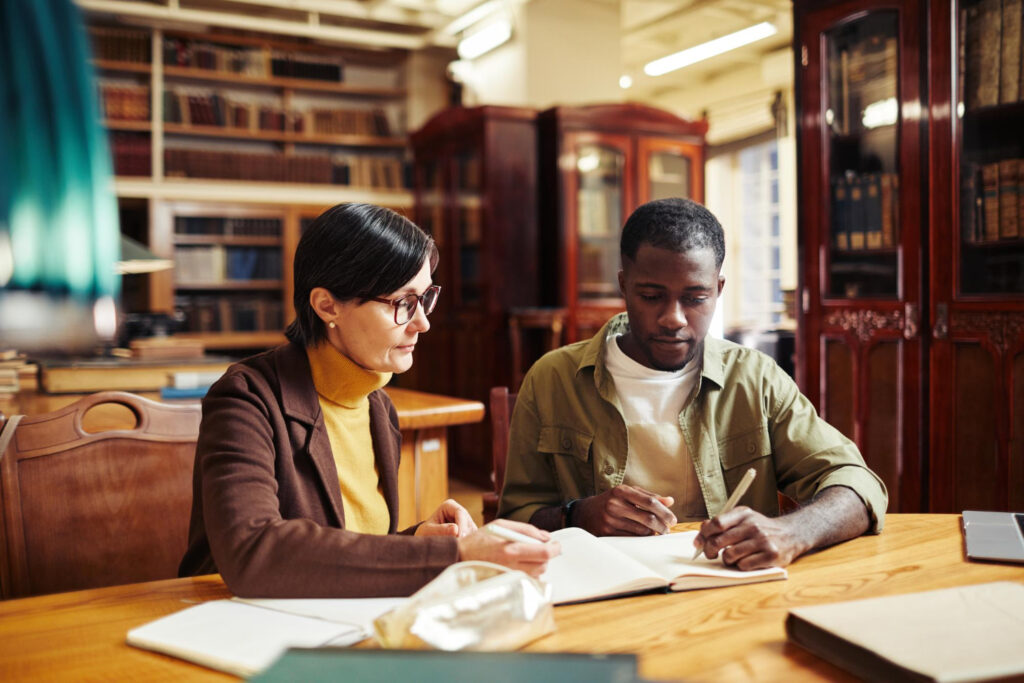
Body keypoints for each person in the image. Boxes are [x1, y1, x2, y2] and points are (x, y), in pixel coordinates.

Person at [179, 203, 559, 597]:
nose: (423, 322)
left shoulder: (378, 407)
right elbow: (252, 552)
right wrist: (452, 554)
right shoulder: (246, 398)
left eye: (424, 297)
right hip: (233, 628)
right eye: (402, 302)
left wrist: (419, 541)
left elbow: (343, 547)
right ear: (328, 305)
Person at [498, 198, 887, 570]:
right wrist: (577, 515)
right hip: (602, 594)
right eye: (651, 296)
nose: (673, 319)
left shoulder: (754, 378)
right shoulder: (552, 380)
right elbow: (511, 521)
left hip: (728, 593)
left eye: (695, 298)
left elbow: (857, 484)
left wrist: (792, 532)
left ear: (718, 289)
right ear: (623, 284)